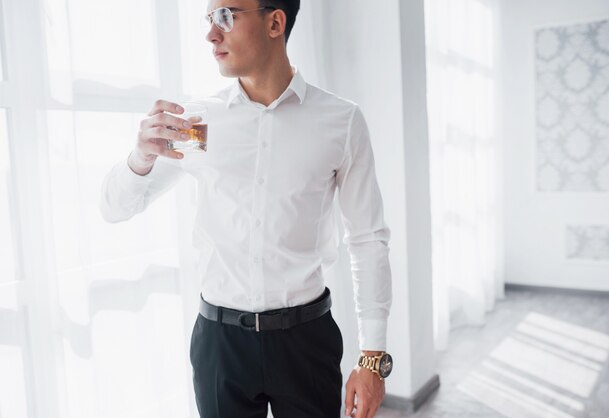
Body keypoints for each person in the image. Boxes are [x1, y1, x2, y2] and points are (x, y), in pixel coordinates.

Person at [99, 0, 393, 417]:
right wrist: (140, 158)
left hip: (306, 342)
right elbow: (114, 208)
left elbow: (368, 238)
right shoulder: (197, 123)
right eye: (209, 19)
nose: (211, 35)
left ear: (275, 22)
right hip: (221, 346)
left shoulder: (341, 121)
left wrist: (372, 357)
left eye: (225, 17)